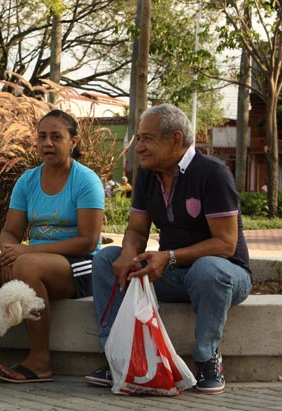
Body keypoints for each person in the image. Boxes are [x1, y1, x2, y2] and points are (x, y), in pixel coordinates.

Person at [85, 104, 252, 394]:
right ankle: (119, 359)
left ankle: (207, 358)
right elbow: (137, 230)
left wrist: (169, 257)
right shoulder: (148, 174)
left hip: (225, 275)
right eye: (139, 139)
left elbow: (225, 244)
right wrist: (128, 254)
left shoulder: (212, 173)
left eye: (147, 139)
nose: (139, 147)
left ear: (176, 139)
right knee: (105, 259)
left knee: (207, 269)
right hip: (172, 273)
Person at [0, 109, 105, 383]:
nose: (47, 143)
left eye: (56, 137)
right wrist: (9, 252)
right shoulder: (28, 180)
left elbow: (88, 241)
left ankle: (40, 361)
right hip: (34, 261)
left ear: (73, 141)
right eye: (42, 137)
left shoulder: (86, 180)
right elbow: (10, 231)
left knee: (27, 265)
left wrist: (27, 253)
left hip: (81, 263)